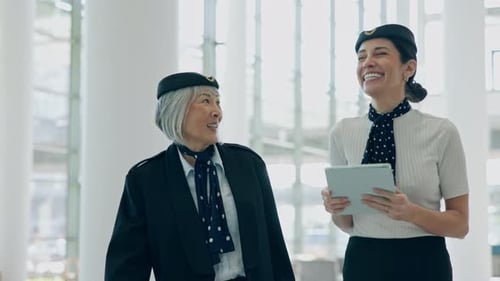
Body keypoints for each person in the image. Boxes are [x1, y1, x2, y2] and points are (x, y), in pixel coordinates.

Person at [104, 72, 295, 281]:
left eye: (218, 102)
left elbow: (275, 246)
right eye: (206, 101)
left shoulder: (249, 165)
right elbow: (127, 267)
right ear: (176, 110)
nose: (217, 112)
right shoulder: (146, 179)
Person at [321, 24, 469, 281]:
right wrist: (337, 208)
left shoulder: (441, 131)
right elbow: (347, 225)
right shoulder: (342, 132)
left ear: (408, 68)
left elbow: (460, 225)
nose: (367, 63)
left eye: (379, 53)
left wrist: (410, 212)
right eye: (361, 57)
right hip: (362, 259)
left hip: (423, 261)